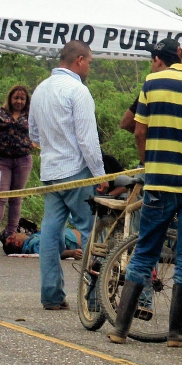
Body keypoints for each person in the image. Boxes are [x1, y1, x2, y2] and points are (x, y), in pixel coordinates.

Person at [107, 29, 182, 346]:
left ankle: (120, 329)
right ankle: (176, 333)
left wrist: (150, 165)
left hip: (158, 182)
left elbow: (139, 131)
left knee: (145, 251)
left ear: (180, 53)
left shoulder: (151, 83)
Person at [29, 40, 104, 310]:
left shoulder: (40, 90)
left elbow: (34, 135)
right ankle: (97, 299)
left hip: (50, 171)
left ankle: (51, 295)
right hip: (77, 172)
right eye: (90, 63)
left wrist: (53, 147)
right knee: (94, 233)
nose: (89, 69)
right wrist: (99, 174)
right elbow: (87, 140)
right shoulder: (78, 91)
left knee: (50, 234)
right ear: (80, 60)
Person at [0, 85, 34, 248]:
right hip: (2, 160)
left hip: (23, 160)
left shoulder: (31, 115)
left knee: (16, 198)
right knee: (1, 196)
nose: (19, 101)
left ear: (26, 101)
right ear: (10, 98)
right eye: (16, 98)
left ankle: (10, 235)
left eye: (22, 99)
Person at [120, 37, 181, 134]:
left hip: (156, 147)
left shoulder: (152, 86)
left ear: (158, 60)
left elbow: (126, 122)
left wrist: (153, 136)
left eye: (151, 61)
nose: (151, 66)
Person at [3, 226, 83, 259]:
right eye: (12, 237)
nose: (14, 233)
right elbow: (49, 252)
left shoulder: (32, 239)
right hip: (73, 240)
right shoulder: (33, 244)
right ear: (18, 243)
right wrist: (71, 253)